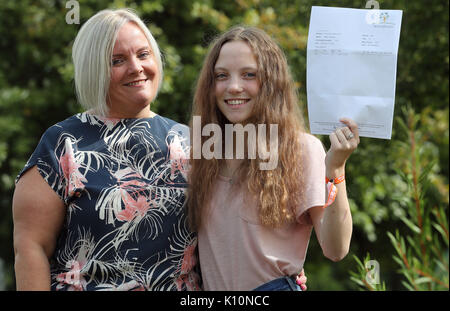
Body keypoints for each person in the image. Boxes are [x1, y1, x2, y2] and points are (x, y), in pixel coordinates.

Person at [12, 8, 200, 291]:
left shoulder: (190, 142)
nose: (136, 67)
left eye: (143, 54)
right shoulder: (63, 143)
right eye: (117, 60)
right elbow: (31, 248)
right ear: (94, 69)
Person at [187, 26, 359, 291]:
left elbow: (336, 249)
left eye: (249, 75)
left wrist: (336, 167)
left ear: (271, 81)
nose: (233, 87)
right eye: (222, 76)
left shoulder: (301, 149)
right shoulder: (201, 154)